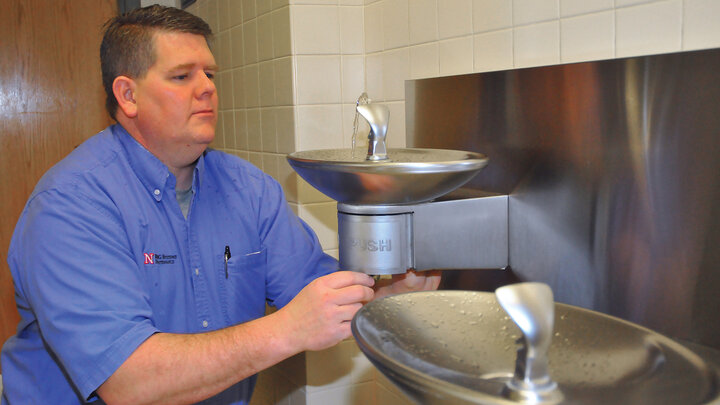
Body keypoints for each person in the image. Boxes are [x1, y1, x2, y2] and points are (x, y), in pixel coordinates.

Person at [0, 5, 440, 405]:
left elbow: (318, 301)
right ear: (128, 96)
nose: (207, 88)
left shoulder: (250, 191)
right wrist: (287, 330)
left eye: (210, 74)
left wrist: (386, 298)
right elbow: (129, 383)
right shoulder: (69, 207)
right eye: (182, 76)